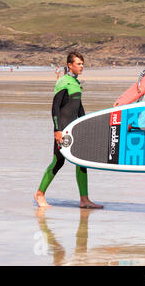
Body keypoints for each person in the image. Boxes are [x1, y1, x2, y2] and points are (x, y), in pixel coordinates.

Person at [34, 51, 103, 209]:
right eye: (79, 64)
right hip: (64, 128)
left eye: (82, 64)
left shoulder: (76, 82)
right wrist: (57, 130)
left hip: (75, 128)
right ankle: (40, 194)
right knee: (58, 161)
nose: (82, 66)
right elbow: (55, 107)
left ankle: (84, 199)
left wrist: (86, 124)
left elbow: (78, 107)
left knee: (81, 162)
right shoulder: (63, 81)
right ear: (70, 65)